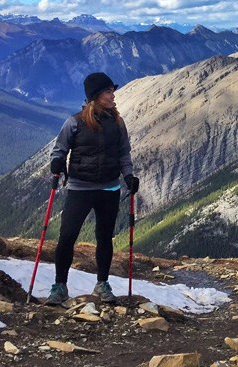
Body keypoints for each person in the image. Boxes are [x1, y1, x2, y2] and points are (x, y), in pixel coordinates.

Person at [46, 72, 139, 305]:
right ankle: (59, 286)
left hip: (109, 188)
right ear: (96, 96)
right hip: (80, 188)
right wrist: (56, 164)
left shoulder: (117, 123)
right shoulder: (75, 122)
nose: (113, 95)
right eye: (108, 91)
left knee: (104, 237)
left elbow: (123, 153)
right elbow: (60, 149)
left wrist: (128, 176)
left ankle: (102, 283)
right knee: (67, 236)